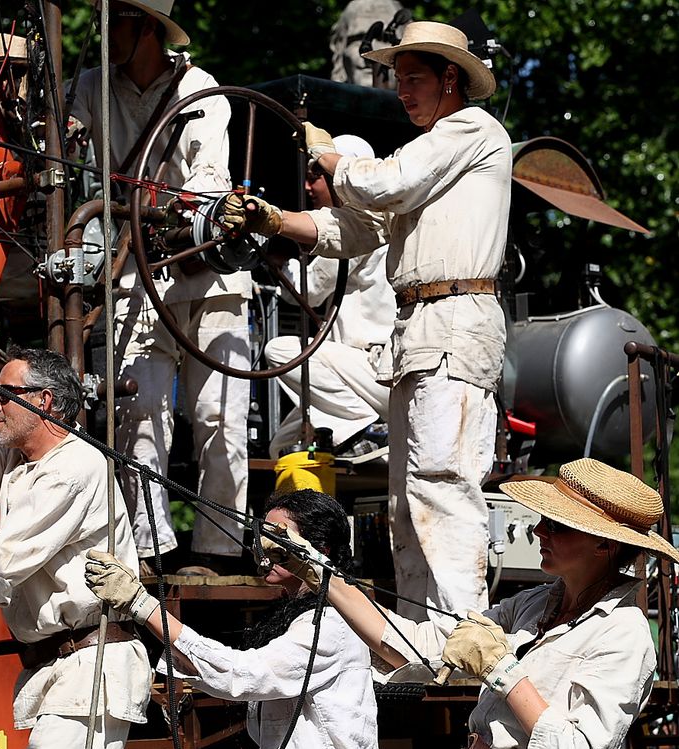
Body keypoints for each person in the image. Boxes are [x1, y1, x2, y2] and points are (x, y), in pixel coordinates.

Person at [225, 21, 512, 618]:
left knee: (440, 485)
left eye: (414, 79)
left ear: (451, 78)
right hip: (421, 331)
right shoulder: (431, 152)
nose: (402, 91)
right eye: (398, 80)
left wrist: (328, 154)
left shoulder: (471, 129)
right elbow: (351, 229)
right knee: (407, 501)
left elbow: (387, 182)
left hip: (455, 322)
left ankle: (466, 635)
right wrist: (272, 220)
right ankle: (421, 638)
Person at [263, 458, 678, 749]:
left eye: (557, 526)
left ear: (603, 545)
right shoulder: (532, 604)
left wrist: (502, 669)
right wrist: (319, 571)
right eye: (542, 520)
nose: (538, 531)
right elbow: (415, 647)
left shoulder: (624, 633)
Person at [70, 0, 250, 573]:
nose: (104, 36)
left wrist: (172, 216)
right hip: (136, 277)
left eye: (115, 23)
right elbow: (61, 142)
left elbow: (208, 181)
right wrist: (66, 135)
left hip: (209, 276)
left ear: (145, 26)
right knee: (138, 411)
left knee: (221, 417)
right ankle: (148, 554)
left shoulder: (199, 87)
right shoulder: (93, 86)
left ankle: (218, 558)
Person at [0, 347, 150, 749]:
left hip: (91, 667)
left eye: (5, 394)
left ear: (43, 400)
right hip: (57, 668)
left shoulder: (74, 467)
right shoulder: (17, 463)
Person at [84, 488, 381, 749]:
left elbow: (243, 674)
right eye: (263, 537)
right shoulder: (294, 616)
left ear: (320, 549)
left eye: (278, 539)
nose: (265, 549)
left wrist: (142, 606)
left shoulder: (332, 623)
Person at [264, 133, 395, 460]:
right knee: (282, 448)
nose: (308, 188)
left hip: (373, 372)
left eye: (315, 177)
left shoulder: (358, 225)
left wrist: (267, 248)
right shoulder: (382, 219)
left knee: (279, 350)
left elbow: (303, 290)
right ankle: (361, 432)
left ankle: (367, 429)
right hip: (352, 376)